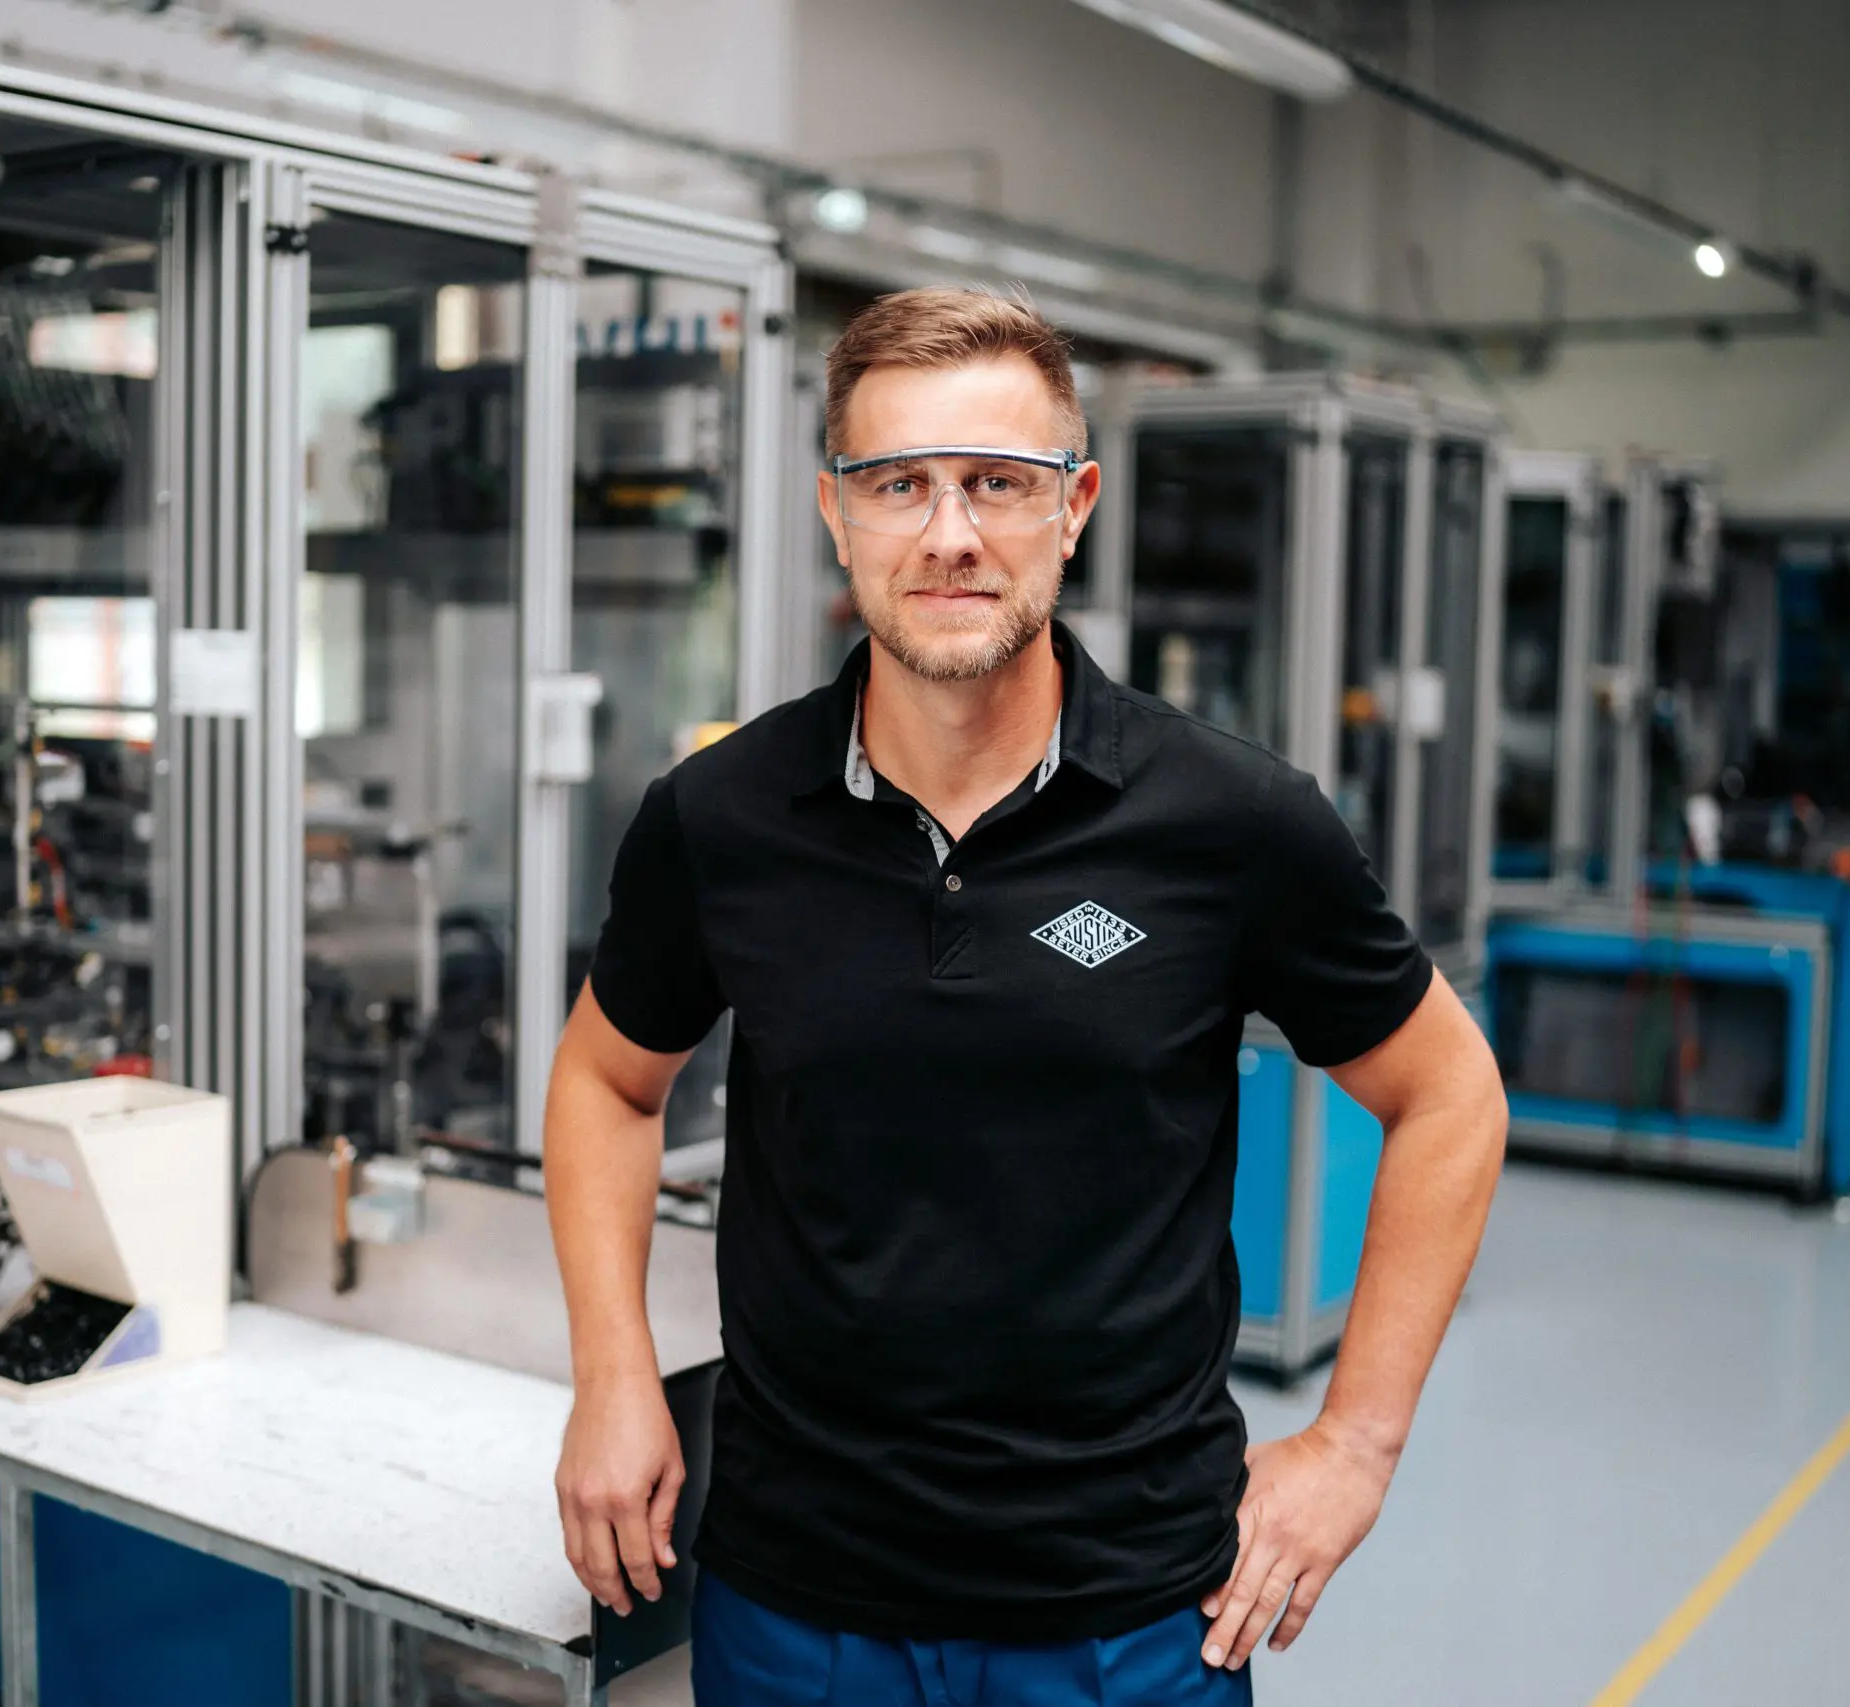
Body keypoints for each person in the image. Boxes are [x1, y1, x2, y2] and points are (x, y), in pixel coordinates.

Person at [544, 287, 1507, 1705]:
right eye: (899, 484)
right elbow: (606, 1081)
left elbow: (1448, 1092)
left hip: (1130, 1614)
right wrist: (614, 1370)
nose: (950, 531)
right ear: (834, 511)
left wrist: (1355, 1444)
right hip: (799, 1597)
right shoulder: (721, 817)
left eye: (1000, 481)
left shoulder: (1233, 822)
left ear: (1077, 505)